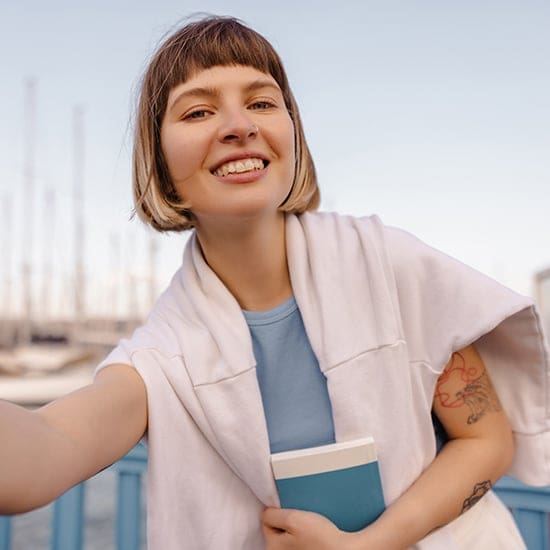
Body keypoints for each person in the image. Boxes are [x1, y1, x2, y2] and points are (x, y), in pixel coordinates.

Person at [1, 15, 549, 550]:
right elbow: (46, 454)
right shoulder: (160, 360)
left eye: (262, 103)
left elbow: (486, 439)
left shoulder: (390, 265)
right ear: (161, 164)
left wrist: (374, 543)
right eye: (198, 111)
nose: (240, 126)